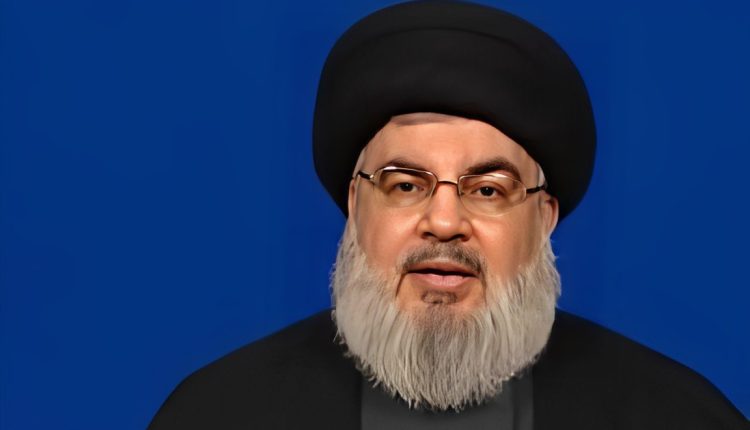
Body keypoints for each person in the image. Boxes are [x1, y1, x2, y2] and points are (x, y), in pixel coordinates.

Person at [148, 1, 748, 429]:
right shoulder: (216, 413)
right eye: (405, 184)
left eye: (487, 190)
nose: (443, 221)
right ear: (355, 204)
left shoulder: (679, 416)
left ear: (544, 218)